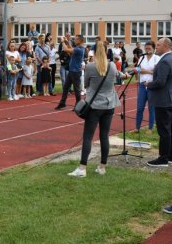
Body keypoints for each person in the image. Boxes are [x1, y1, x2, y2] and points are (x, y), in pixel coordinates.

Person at [68, 40, 122, 178]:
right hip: (109, 104)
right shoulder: (112, 66)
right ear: (106, 50)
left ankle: (82, 168)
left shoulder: (90, 67)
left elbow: (85, 84)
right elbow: (115, 80)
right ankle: (102, 167)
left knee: (88, 137)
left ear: (93, 51)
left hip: (94, 105)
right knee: (104, 136)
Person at [145, 38, 172, 167]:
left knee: (164, 130)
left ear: (165, 46)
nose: (156, 47)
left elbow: (160, 82)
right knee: (171, 130)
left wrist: (149, 84)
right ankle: (171, 156)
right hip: (170, 98)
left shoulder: (165, 61)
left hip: (163, 100)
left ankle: (163, 158)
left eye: (158, 45)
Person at [134, 41, 160, 133]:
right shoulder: (142, 57)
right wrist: (150, 71)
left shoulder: (157, 58)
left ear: (154, 49)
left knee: (151, 107)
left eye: (149, 48)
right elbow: (138, 69)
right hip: (142, 84)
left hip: (152, 85)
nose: (148, 50)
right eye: (146, 48)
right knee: (140, 107)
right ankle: (137, 128)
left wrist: (146, 71)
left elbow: (156, 71)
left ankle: (150, 128)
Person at [55, 35, 85, 110]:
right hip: (72, 71)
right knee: (65, 88)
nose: (74, 40)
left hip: (75, 72)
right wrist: (67, 42)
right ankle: (62, 103)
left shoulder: (79, 49)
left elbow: (66, 49)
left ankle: (78, 105)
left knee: (76, 89)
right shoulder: (78, 48)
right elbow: (70, 48)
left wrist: (62, 42)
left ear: (80, 40)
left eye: (75, 39)